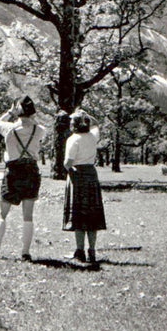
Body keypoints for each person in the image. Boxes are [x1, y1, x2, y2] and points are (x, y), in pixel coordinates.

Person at [0, 96, 45, 262]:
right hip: (31, 169)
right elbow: (38, 128)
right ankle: (25, 253)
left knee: (2, 213)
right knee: (28, 215)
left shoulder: (8, 128)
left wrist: (10, 112)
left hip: (13, 169)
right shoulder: (40, 129)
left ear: (18, 111)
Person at [63, 109, 106, 264]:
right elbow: (96, 124)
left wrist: (70, 171)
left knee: (79, 214)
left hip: (77, 174)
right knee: (92, 214)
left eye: (72, 121)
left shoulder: (73, 139)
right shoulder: (93, 137)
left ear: (75, 124)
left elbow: (67, 162)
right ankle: (92, 250)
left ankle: (80, 250)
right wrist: (86, 115)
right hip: (91, 174)